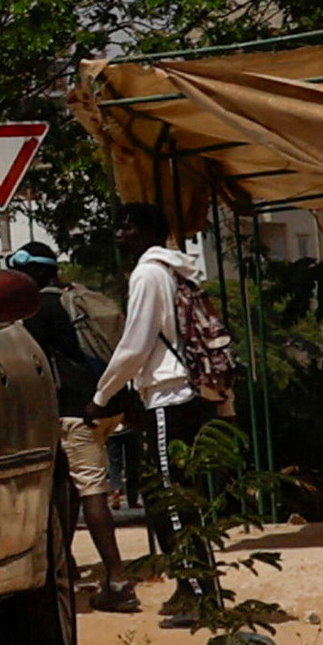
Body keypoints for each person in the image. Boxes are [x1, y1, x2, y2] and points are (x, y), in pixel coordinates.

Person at [94, 219, 228, 582]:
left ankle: (193, 587)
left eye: (128, 227)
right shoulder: (176, 271)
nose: (120, 234)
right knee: (179, 494)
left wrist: (102, 395)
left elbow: (136, 343)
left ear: (152, 232)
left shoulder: (147, 275)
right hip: (190, 392)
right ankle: (201, 582)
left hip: (168, 393)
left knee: (167, 497)